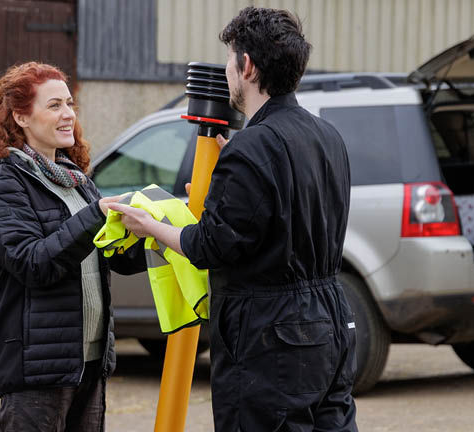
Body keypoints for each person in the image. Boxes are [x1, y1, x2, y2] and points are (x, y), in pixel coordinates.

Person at [109, 7, 358, 431]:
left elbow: (211, 246)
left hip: (270, 334)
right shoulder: (326, 136)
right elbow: (282, 209)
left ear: (246, 66)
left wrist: (149, 226)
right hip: (330, 320)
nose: (227, 70)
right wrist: (235, 175)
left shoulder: (252, 148)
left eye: (230, 59)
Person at [0, 62, 145, 432]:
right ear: (20, 117)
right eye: (54, 106)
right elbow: (33, 263)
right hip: (37, 372)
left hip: (89, 363)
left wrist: (151, 232)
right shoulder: (3, 182)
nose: (68, 115)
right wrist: (95, 215)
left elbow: (110, 257)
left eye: (69, 104)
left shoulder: (76, 179)